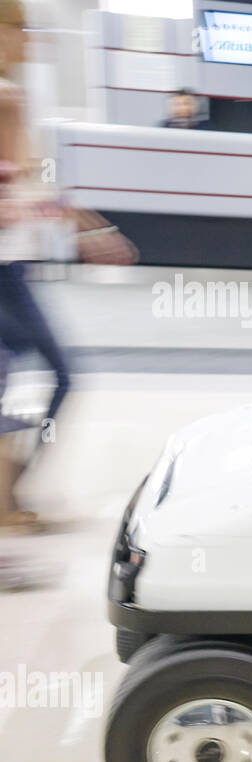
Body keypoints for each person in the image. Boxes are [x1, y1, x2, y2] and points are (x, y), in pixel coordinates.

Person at [0, 0, 71, 533]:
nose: (30, 39)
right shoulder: (6, 99)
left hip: (13, 267)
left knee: (57, 376)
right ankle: (7, 504)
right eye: (21, 28)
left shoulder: (13, 97)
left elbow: (26, 185)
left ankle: (12, 491)